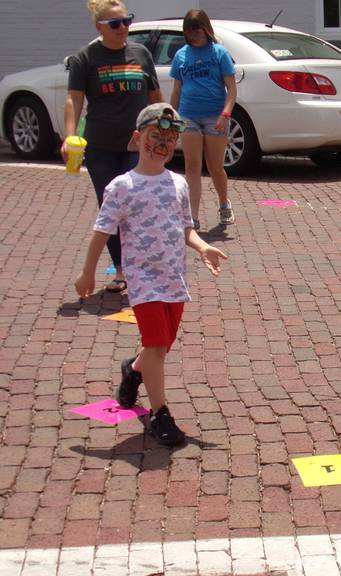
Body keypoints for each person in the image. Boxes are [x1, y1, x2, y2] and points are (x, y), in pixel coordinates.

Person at [75, 103, 228, 446]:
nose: (162, 145)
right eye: (154, 137)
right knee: (157, 344)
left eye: (170, 138)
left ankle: (133, 370)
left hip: (174, 278)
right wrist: (88, 273)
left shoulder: (177, 184)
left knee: (160, 346)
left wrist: (203, 247)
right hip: (143, 281)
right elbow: (102, 231)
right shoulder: (121, 187)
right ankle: (161, 414)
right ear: (137, 138)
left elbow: (185, 227)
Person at [63, 0, 162, 293]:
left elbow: (156, 96)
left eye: (127, 20)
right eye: (116, 23)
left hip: (137, 145)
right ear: (100, 27)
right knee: (112, 210)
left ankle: (143, 266)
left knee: (138, 207)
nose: (124, 28)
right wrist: (69, 137)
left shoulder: (140, 54)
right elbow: (73, 100)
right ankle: (121, 269)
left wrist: (164, 130)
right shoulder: (86, 58)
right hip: (101, 147)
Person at [170, 9, 237, 230]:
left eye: (197, 29)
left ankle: (224, 203)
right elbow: (177, 89)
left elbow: (231, 90)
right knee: (192, 166)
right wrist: (171, 114)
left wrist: (225, 114)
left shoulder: (219, 53)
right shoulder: (181, 55)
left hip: (214, 115)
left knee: (215, 166)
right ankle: (193, 216)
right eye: (189, 31)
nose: (193, 35)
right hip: (189, 114)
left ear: (205, 29)